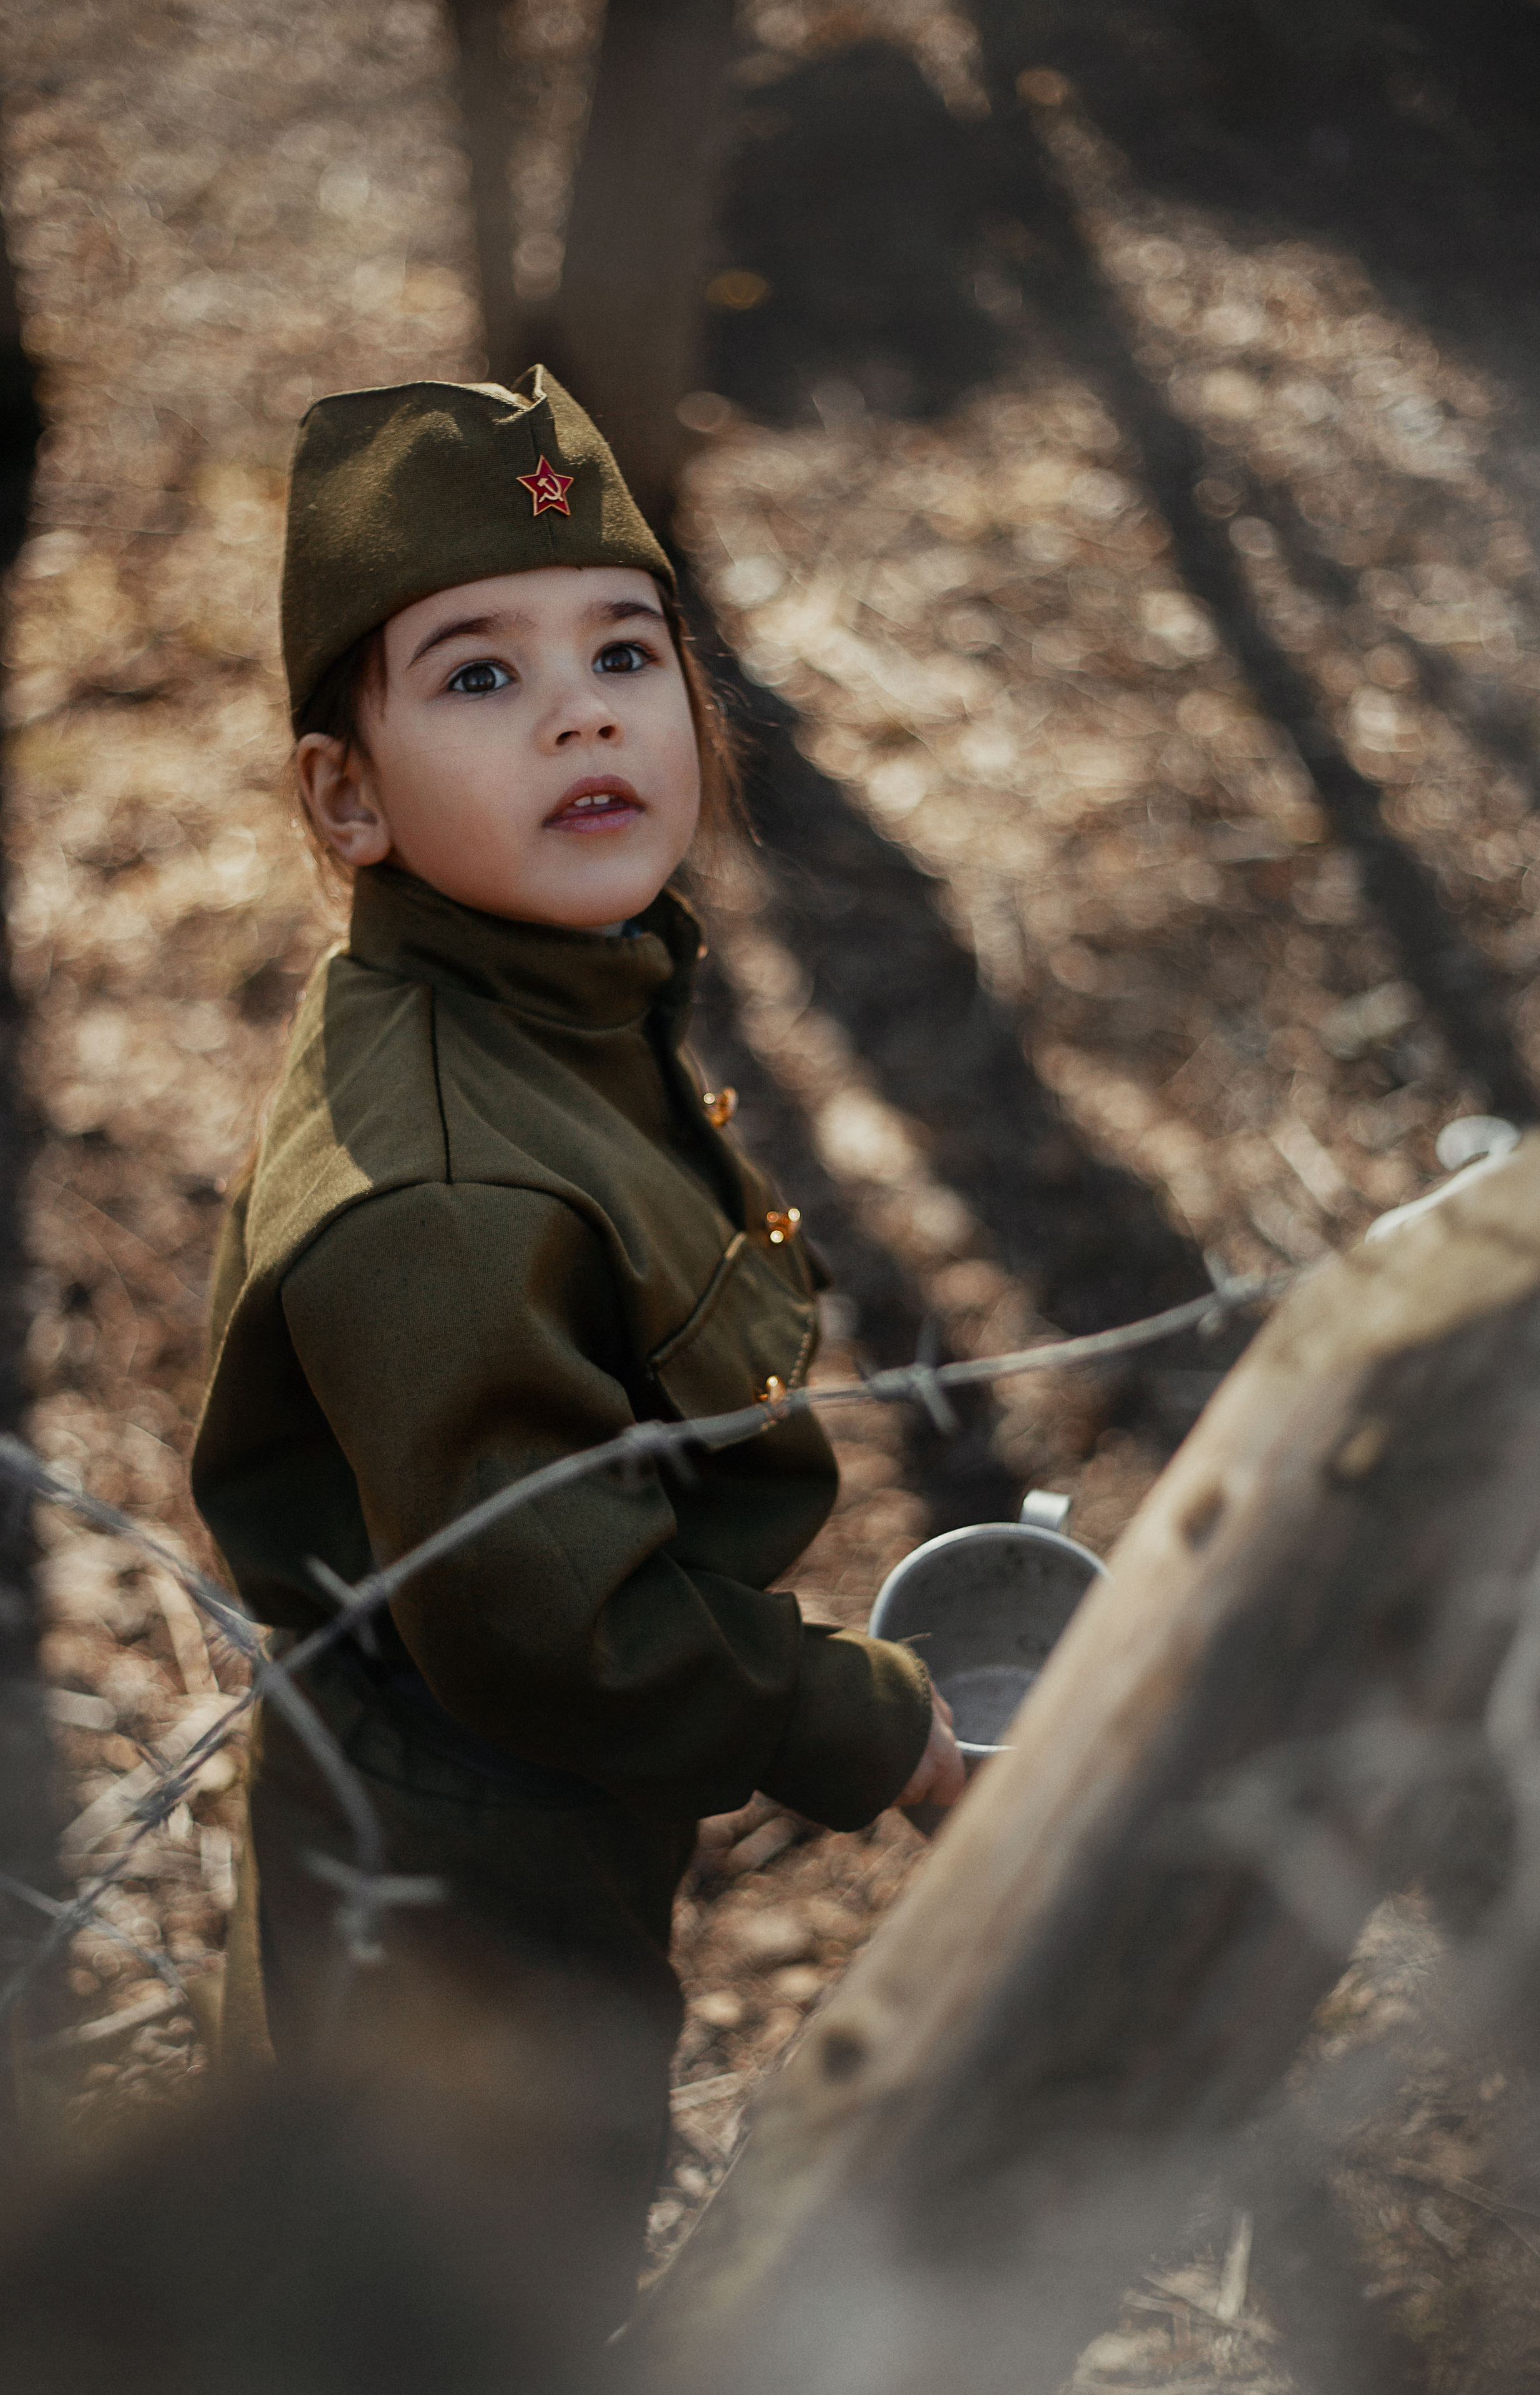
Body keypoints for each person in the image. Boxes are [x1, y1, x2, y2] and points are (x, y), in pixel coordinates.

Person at [190, 368, 964, 2342]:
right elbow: (553, 1626)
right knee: (452, 2300)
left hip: (518, 1825)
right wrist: (863, 1727)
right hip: (457, 1896)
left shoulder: (534, 988)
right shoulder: (446, 1190)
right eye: (475, 675)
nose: (582, 709)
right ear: (344, 798)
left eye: (627, 647)